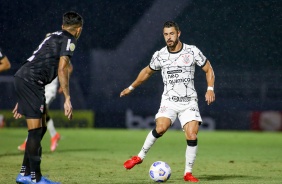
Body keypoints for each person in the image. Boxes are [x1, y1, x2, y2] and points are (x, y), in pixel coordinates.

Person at [120, 21, 215, 182]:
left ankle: (188, 173)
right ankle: (139, 157)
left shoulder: (192, 51)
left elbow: (208, 69)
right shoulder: (160, 55)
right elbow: (147, 72)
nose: (169, 37)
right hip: (169, 101)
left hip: (189, 102)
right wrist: (131, 87)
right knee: (161, 128)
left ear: (179, 33)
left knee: (192, 135)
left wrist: (210, 89)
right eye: (166, 34)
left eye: (171, 34)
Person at [13, 11, 83, 184]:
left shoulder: (54, 36)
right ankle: (35, 179)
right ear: (79, 29)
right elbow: (62, 68)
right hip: (31, 81)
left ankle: (25, 173)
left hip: (27, 79)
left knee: (41, 128)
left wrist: (23, 95)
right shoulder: (69, 40)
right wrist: (67, 98)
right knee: (35, 131)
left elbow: (37, 60)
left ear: (62, 26)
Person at [18, 70, 72, 152]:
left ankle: (29, 142)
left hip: (50, 90)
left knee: (38, 111)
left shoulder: (58, 57)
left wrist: (64, 82)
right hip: (40, 89)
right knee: (43, 113)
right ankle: (54, 135)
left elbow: (69, 67)